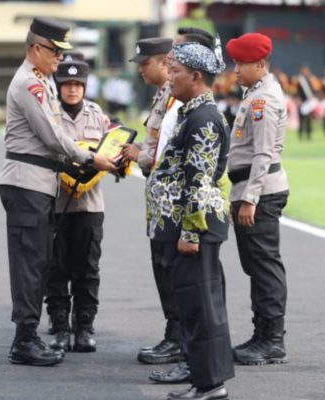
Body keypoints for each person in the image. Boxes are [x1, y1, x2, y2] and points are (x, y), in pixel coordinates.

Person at [0, 17, 115, 367]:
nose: (59, 59)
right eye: (54, 51)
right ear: (35, 48)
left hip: (38, 182)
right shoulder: (28, 85)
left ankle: (30, 335)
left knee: (39, 261)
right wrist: (91, 157)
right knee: (30, 264)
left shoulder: (41, 81)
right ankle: (24, 339)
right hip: (26, 182)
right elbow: (52, 136)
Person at [147, 38, 234, 400]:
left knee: (200, 307)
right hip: (183, 226)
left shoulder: (204, 118)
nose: (170, 78)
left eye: (176, 71)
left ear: (196, 76)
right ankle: (203, 381)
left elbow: (198, 180)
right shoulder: (190, 112)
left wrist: (190, 233)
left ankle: (211, 385)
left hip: (193, 230)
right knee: (194, 305)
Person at [121, 37, 187, 367]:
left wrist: (139, 155)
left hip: (171, 199)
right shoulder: (163, 95)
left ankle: (178, 337)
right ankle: (174, 334)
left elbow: (166, 151)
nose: (141, 70)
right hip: (157, 197)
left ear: (163, 63)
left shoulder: (176, 98)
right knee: (161, 266)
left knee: (170, 268)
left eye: (145, 64)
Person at [225, 32, 290, 366]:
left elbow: (264, 154)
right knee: (256, 266)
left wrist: (249, 199)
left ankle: (271, 341)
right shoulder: (255, 94)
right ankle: (262, 334)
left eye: (242, 63)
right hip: (249, 189)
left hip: (260, 192)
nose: (235, 69)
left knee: (264, 266)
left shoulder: (264, 100)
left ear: (260, 64)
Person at [44, 59, 111, 353]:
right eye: (67, 84)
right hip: (57, 203)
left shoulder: (97, 116)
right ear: (58, 86)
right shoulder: (48, 114)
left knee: (87, 269)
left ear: (84, 86)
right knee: (56, 269)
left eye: (77, 84)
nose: (72, 90)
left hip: (90, 206)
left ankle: (84, 327)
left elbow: (111, 152)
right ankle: (60, 328)